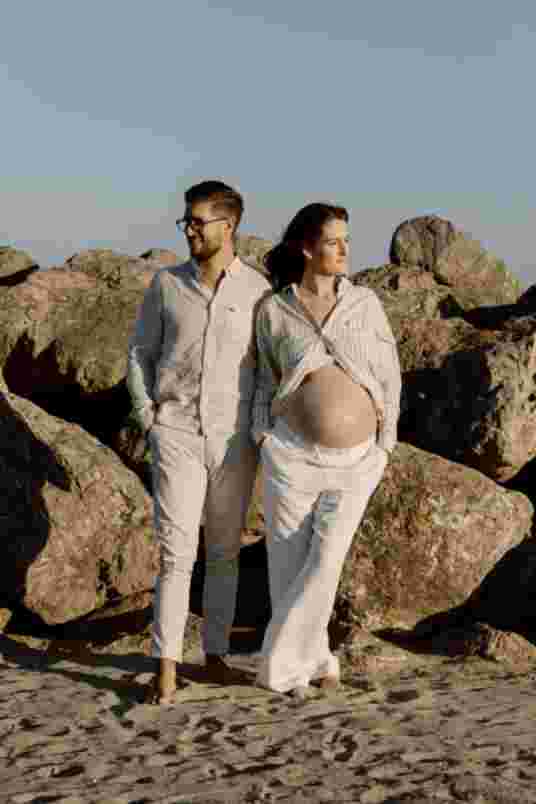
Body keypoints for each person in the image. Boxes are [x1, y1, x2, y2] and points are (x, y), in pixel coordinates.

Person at [127, 180, 271, 703]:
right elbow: (140, 353)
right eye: (186, 220)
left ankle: (213, 658)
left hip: (234, 440)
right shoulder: (165, 284)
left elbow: (266, 370)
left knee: (225, 552)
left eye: (197, 220)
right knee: (175, 555)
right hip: (178, 434)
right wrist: (149, 417)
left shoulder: (258, 291)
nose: (188, 228)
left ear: (227, 227)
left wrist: (258, 429)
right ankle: (166, 668)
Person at [251, 202, 401, 697]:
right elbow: (259, 381)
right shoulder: (274, 309)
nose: (344, 250)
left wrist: (386, 443)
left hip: (357, 460)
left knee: (328, 559)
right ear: (306, 246)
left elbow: (389, 376)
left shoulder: (365, 305)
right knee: (288, 566)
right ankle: (314, 661)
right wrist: (263, 438)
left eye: (346, 240)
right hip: (290, 456)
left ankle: (277, 666)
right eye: (334, 241)